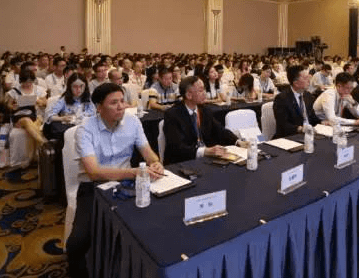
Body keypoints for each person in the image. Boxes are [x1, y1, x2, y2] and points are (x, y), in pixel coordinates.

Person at [67, 83, 163, 278]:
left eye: (122, 101)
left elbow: (148, 152)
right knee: (77, 243)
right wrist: (134, 173)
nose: (121, 107)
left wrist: (155, 163)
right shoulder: (85, 129)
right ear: (99, 108)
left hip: (127, 183)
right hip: (94, 187)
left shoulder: (133, 122)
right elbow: (94, 172)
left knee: (153, 225)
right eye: (113, 103)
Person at [163, 76, 242, 165]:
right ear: (189, 95)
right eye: (200, 90)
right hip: (183, 162)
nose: (205, 93)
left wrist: (238, 141)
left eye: (204, 89)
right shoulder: (172, 115)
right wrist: (204, 151)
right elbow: (177, 147)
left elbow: (220, 130)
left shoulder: (205, 110)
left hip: (205, 159)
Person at [273, 65, 320, 138]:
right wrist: (301, 129)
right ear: (296, 83)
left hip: (308, 134)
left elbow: (312, 118)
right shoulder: (281, 99)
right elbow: (283, 125)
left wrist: (323, 122)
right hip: (290, 137)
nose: (309, 80)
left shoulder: (308, 96)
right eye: (305, 78)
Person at [44, 73, 95, 140]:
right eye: (75, 87)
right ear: (70, 87)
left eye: (81, 86)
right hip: (68, 128)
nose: (79, 89)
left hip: (84, 128)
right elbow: (49, 115)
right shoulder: (64, 99)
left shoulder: (89, 98)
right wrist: (62, 118)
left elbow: (93, 115)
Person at [4, 69, 48, 146]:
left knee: (31, 122)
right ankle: (42, 143)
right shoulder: (15, 91)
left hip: (36, 116)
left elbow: (46, 103)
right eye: (25, 82)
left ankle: (41, 144)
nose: (28, 84)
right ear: (21, 81)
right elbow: (9, 105)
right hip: (20, 116)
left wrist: (38, 101)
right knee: (26, 120)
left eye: (30, 82)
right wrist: (13, 107)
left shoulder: (38, 89)